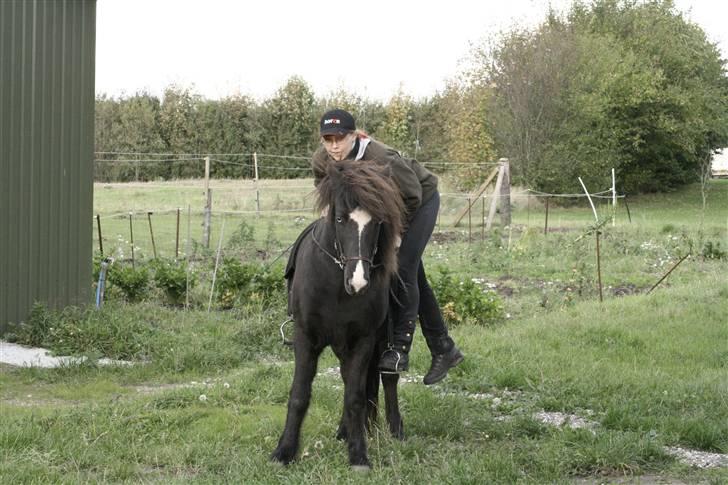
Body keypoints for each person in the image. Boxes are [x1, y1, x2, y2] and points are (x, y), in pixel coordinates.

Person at [312, 108, 464, 385]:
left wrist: (396, 234)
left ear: (355, 135)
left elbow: (412, 195)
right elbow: (326, 190)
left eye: (340, 138)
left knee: (402, 267)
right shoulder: (322, 160)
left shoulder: (380, 157)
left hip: (419, 203)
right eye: (328, 139)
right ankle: (443, 347)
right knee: (415, 273)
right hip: (383, 209)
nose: (334, 146)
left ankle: (398, 349)